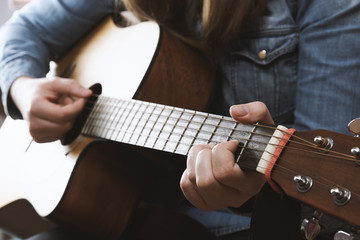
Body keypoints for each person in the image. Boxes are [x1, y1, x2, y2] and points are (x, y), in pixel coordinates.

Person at [1, 0, 360, 239]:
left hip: (235, 226)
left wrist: (252, 194)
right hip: (121, 206)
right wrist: (23, 90)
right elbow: (21, 33)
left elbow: (323, 194)